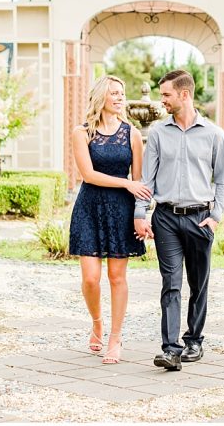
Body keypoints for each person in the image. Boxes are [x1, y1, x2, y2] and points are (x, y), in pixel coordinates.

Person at [134, 69, 224, 371]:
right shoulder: (159, 134)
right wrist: (141, 213)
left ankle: (194, 341)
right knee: (171, 284)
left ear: (184, 94)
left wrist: (215, 217)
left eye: (166, 95)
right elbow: (146, 179)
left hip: (201, 218)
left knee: (198, 283)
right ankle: (170, 349)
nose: (161, 100)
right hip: (166, 218)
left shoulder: (215, 134)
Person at [68, 75, 153, 364]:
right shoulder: (82, 132)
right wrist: (126, 184)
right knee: (91, 278)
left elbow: (139, 181)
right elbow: (87, 175)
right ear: (101, 97)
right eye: (114, 93)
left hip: (121, 210)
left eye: (122, 93)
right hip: (89, 207)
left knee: (117, 277)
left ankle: (115, 339)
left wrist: (140, 213)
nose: (119, 98)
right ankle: (97, 322)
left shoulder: (133, 134)